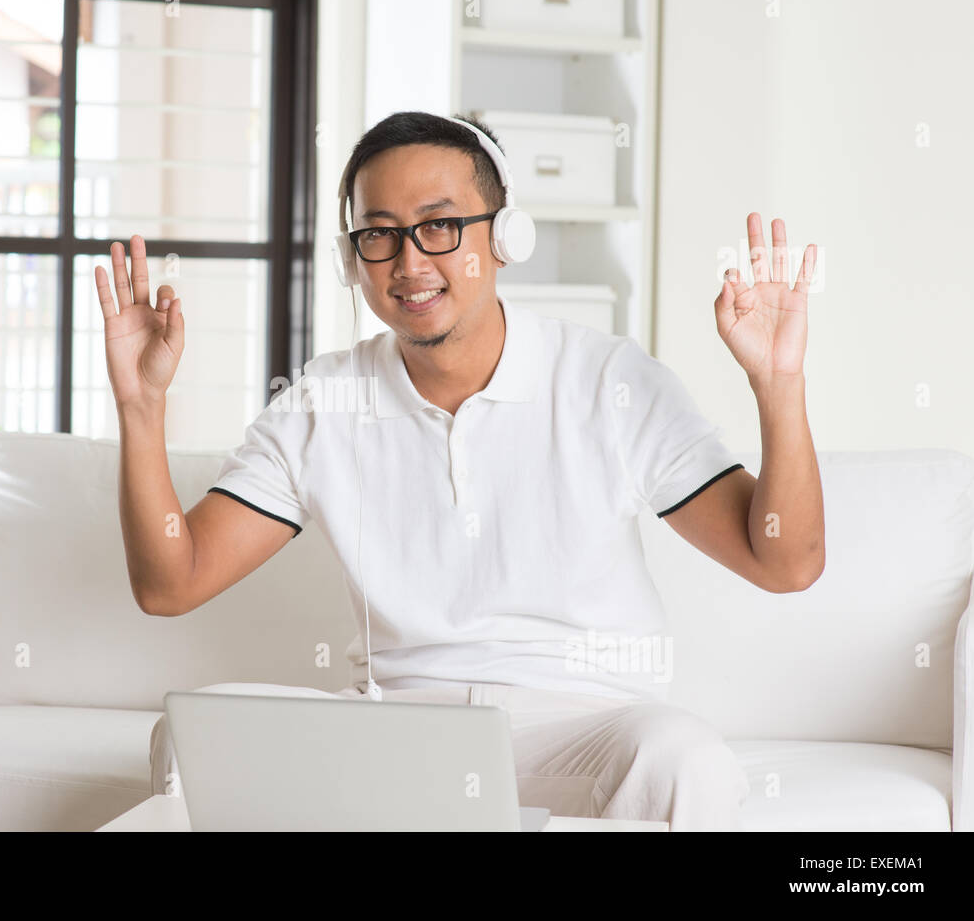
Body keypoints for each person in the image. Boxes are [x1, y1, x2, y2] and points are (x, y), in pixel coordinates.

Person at [94, 110, 825, 831]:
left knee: (684, 759)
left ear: (505, 236)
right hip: (398, 729)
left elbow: (786, 561)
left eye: (439, 226)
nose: (409, 263)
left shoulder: (608, 380)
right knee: (193, 739)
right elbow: (170, 582)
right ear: (355, 259)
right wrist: (140, 405)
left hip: (588, 732)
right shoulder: (323, 399)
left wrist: (779, 383)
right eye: (379, 234)